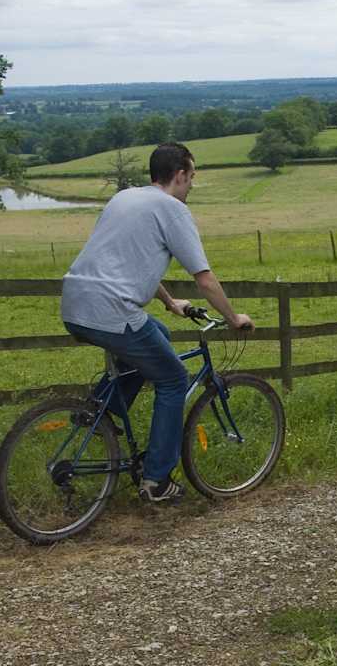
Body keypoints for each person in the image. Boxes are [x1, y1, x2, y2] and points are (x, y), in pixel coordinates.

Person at [60, 142, 254, 502]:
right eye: (191, 176)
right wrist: (233, 318)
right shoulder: (173, 210)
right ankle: (157, 481)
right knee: (174, 379)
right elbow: (205, 279)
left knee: (157, 335)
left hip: (75, 303)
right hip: (112, 310)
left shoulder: (124, 198)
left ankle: (100, 413)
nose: (192, 184)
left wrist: (168, 301)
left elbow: (127, 261)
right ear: (179, 175)